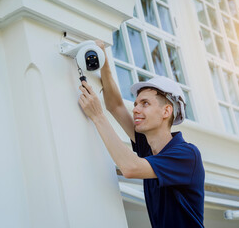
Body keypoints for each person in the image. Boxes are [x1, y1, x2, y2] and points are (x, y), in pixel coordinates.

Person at [78, 40, 205, 228]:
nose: (136, 109)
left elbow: (130, 167)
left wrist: (97, 116)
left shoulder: (187, 155)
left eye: (145, 103)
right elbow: (115, 105)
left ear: (166, 111)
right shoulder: (149, 148)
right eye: (136, 103)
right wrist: (103, 59)